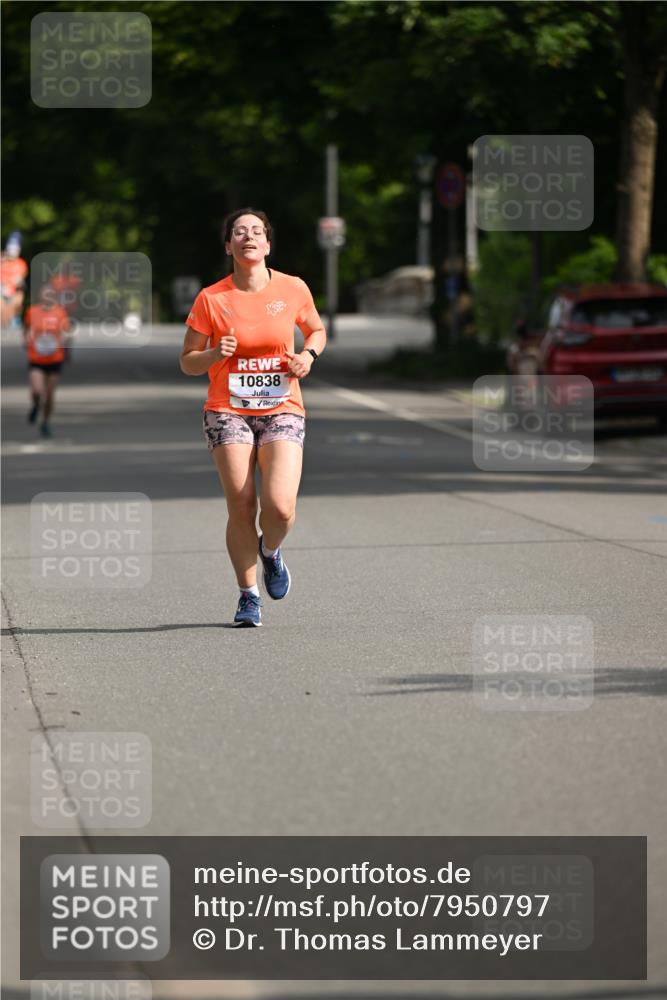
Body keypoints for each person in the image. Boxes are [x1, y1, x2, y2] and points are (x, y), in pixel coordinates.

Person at [180, 209, 326, 627]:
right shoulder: (212, 298)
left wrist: (307, 357)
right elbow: (188, 362)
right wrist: (213, 353)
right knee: (242, 505)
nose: (248, 236)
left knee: (279, 508)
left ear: (267, 244)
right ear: (228, 246)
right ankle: (248, 596)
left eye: (256, 231)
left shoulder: (292, 288)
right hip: (227, 410)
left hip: (282, 406)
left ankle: (271, 552)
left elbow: (316, 330)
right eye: (239, 232)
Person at [23, 285, 71, 437]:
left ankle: (45, 422)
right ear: (40, 296)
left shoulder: (60, 312)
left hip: (54, 358)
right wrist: (26, 340)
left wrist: (63, 341)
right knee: (37, 391)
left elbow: (66, 332)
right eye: (45, 294)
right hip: (36, 358)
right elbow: (26, 329)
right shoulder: (32, 312)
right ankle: (36, 406)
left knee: (49, 394)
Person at [1, 232, 28, 328]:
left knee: (18, 298)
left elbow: (20, 282)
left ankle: (14, 323)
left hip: (12, 294)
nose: (12, 250)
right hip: (2, 292)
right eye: (10, 247)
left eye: (15, 248)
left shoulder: (21, 264)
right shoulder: (2, 261)